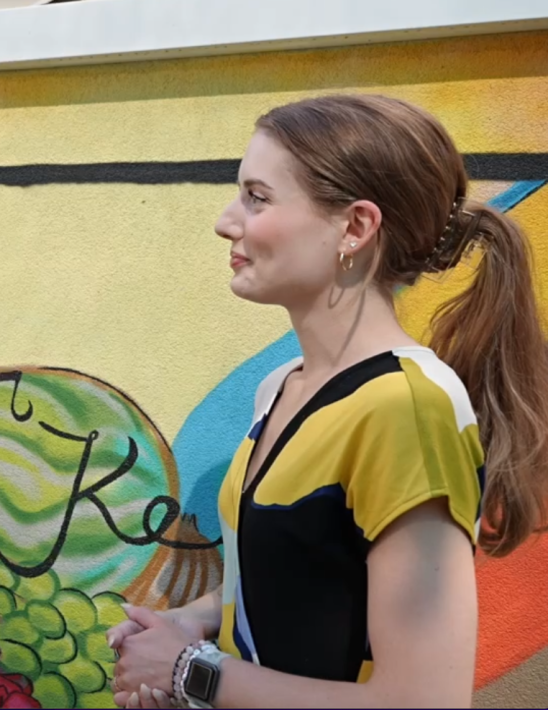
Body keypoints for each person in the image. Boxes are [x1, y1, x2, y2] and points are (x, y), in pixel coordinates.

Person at [107, 94, 548, 708]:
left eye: (257, 197)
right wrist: (190, 624)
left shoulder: (407, 410)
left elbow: (423, 701)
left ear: (356, 228)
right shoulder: (281, 387)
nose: (226, 221)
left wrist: (191, 672)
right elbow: (294, 579)